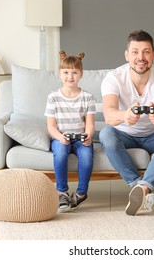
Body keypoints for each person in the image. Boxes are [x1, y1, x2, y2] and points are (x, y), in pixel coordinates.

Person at [99, 30, 154, 216]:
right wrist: (124, 115)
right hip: (124, 134)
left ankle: (141, 189)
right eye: (135, 52)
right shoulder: (114, 77)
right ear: (127, 55)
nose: (141, 57)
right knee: (106, 133)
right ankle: (144, 188)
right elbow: (109, 114)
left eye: (146, 52)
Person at [45, 51, 96, 213]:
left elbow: (90, 124)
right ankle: (62, 192)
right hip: (61, 137)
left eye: (74, 72)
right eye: (66, 72)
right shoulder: (53, 97)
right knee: (60, 154)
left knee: (87, 157)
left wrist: (88, 136)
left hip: (81, 138)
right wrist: (60, 137)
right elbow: (51, 126)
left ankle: (81, 193)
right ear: (60, 74)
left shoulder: (88, 97)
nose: (70, 76)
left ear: (81, 74)